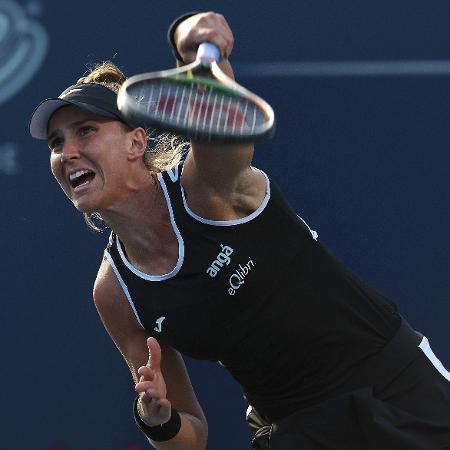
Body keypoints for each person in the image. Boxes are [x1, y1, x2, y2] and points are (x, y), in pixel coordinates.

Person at [29, 11, 450, 450]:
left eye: (85, 131)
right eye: (56, 143)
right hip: (297, 432)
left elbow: (224, 130)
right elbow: (191, 436)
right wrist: (157, 418)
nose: (67, 152)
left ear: (137, 143)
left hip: (398, 390)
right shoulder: (114, 292)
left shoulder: (205, 189)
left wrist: (186, 40)